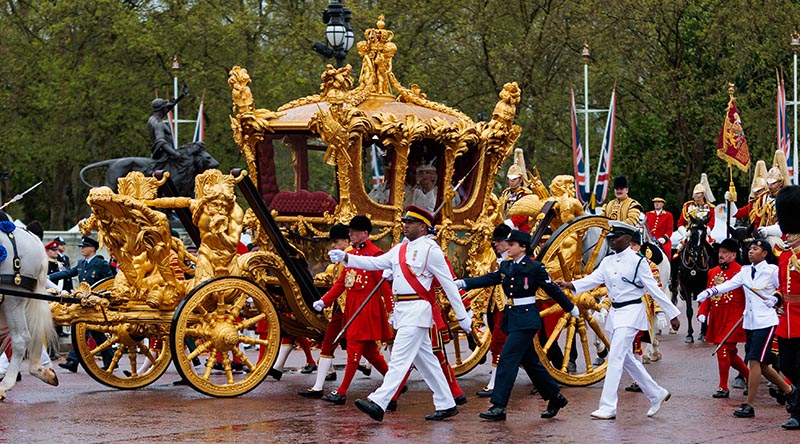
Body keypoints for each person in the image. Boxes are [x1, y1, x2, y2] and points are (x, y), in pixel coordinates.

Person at [328, 205, 472, 422]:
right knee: (427, 361)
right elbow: (374, 263)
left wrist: (462, 316)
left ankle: (379, 402)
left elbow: (449, 285)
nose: (405, 225)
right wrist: (346, 258)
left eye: (410, 223)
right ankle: (446, 402)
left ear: (423, 227)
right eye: (405, 222)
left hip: (418, 310)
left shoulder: (432, 251)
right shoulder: (399, 249)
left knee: (399, 359)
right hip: (404, 310)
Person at [556, 221, 681, 419]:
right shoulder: (608, 261)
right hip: (615, 314)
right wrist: (570, 284)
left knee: (614, 357)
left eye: (616, 238)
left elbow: (654, 289)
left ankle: (608, 406)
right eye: (611, 238)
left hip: (632, 312)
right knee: (628, 360)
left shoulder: (639, 262)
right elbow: (594, 279)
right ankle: (656, 393)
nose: (612, 241)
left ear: (628, 239)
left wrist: (671, 313)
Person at [455, 230, 579, 421]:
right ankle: (555, 397)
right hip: (512, 318)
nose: (508, 247)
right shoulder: (506, 266)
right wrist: (464, 282)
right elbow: (489, 279)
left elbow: (551, 289)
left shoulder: (535, 268)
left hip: (527, 319)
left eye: (512, 244)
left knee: (507, 359)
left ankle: (499, 406)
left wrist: (570, 307)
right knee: (531, 363)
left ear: (523, 247)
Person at [697, 239, 794, 418]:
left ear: (764, 253)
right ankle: (789, 391)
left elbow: (783, 288)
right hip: (750, 322)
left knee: (754, 361)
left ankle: (749, 404)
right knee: (763, 366)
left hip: (766, 321)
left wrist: (775, 298)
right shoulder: (745, 271)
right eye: (750, 249)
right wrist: (709, 292)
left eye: (755, 249)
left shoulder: (773, 270)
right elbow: (729, 284)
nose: (750, 252)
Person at [312, 216, 392, 405]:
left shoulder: (375, 254)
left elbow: (384, 287)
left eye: (354, 232)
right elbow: (342, 283)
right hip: (353, 306)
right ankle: (394, 382)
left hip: (367, 308)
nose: (351, 235)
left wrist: (392, 310)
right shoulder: (351, 254)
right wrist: (324, 301)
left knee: (354, 347)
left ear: (365, 233)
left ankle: (341, 391)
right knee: (370, 352)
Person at [299, 223, 351, 397]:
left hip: (352, 310)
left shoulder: (351, 257)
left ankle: (393, 385)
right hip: (339, 309)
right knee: (327, 345)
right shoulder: (340, 260)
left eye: (336, 242)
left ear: (346, 241)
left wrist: (325, 300)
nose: (333, 246)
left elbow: (343, 285)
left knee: (369, 351)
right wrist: (325, 301)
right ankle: (318, 387)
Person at [49, 236, 114, 372]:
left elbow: (110, 281)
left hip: (95, 304)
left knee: (82, 331)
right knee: (97, 334)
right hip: (83, 303)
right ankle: (110, 360)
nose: (82, 249)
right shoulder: (81, 263)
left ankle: (72, 361)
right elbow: (68, 273)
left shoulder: (101, 264)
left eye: (84, 247)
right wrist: (49, 278)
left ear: (92, 248)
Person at [696, 238, 749, 399]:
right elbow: (709, 293)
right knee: (730, 353)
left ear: (733, 255)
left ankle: (723, 386)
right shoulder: (712, 272)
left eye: (725, 252)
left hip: (734, 315)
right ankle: (749, 376)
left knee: (723, 349)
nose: (721, 255)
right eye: (720, 252)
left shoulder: (741, 272)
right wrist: (702, 311)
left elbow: (747, 297)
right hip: (718, 316)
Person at [773, 185, 800, 429]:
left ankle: (798, 411)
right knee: (786, 364)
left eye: (792, 233)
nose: (788, 236)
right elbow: (783, 286)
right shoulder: (784, 256)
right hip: (787, 321)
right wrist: (777, 298)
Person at [477, 223, 512, 397]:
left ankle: (495, 383)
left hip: (508, 306)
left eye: (499, 241)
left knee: (498, 342)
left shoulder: (512, 261)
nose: (495, 245)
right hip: (494, 305)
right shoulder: (497, 260)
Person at [148, 85, 188, 164]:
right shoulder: (158, 123)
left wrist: (181, 96)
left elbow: (170, 106)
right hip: (165, 158)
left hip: (163, 156)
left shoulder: (152, 119)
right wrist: (175, 154)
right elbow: (160, 142)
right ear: (162, 109)